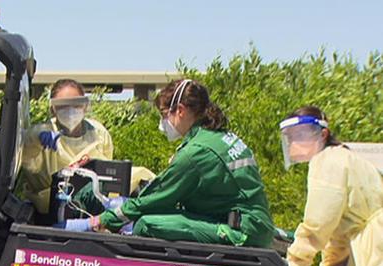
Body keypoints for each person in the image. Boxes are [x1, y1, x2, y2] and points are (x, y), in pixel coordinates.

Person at [63, 79, 274, 248]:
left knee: (146, 223)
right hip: (250, 224)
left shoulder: (196, 152)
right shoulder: (217, 137)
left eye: (164, 115)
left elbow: (158, 198)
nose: (162, 124)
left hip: (242, 233)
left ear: (180, 110)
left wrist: (97, 222)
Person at [282, 106, 383, 266]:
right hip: (371, 254)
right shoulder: (346, 158)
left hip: (375, 257)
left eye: (300, 135)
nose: (293, 143)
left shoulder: (327, 161)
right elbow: (342, 240)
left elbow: (318, 223)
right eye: (290, 137)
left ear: (323, 134)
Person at [21, 79, 114, 214]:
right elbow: (27, 148)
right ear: (52, 108)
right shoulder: (45, 132)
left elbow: (109, 172)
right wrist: (38, 138)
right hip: (49, 211)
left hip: (93, 210)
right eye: (62, 106)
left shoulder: (99, 133)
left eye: (76, 105)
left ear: (85, 106)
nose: (70, 111)